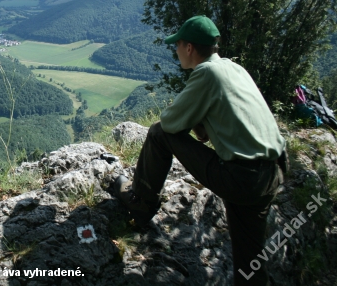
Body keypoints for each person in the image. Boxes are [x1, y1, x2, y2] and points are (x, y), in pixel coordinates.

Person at [114, 15, 286, 285]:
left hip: (241, 177)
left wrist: (193, 121)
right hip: (271, 173)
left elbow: (170, 123)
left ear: (189, 48)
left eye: (178, 45)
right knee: (250, 262)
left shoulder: (206, 72)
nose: (176, 51)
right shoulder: (233, 68)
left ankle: (141, 202)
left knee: (159, 133)